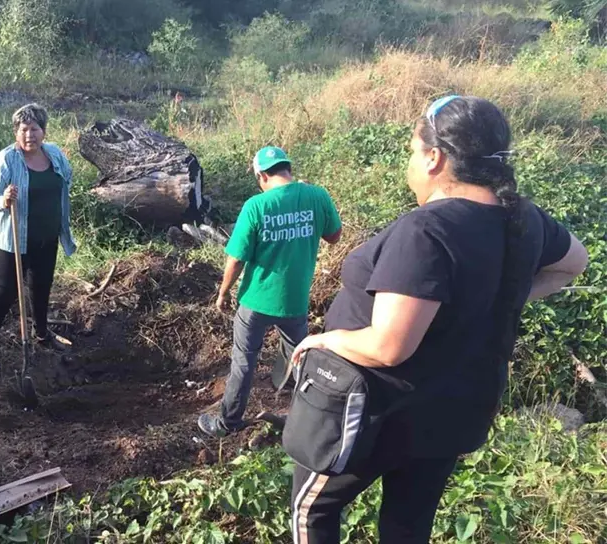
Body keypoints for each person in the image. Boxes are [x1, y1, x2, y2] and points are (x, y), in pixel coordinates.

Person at [288, 96, 588, 543]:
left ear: (435, 158)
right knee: (408, 526)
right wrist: (499, 297)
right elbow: (574, 262)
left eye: (412, 151)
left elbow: (389, 347)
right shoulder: (522, 218)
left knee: (313, 510)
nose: (410, 163)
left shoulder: (427, 231)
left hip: (378, 412)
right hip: (453, 412)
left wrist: (323, 341)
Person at [198, 146, 342, 438]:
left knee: (243, 361)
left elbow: (236, 259)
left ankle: (228, 423)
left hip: (255, 301)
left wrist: (223, 293)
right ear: (288, 169)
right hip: (294, 300)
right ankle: (309, 419)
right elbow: (333, 236)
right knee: (300, 358)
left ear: (262, 176)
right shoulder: (317, 196)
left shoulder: (256, 206)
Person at [0, 104, 77, 378]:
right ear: (16, 132)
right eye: (23, 129)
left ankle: (41, 333)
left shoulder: (54, 154)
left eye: (34, 129)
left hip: (47, 237)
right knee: (4, 293)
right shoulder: (7, 159)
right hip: (14, 241)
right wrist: (3, 200)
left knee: (41, 286)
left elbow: (66, 179)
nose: (29, 135)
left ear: (44, 131)